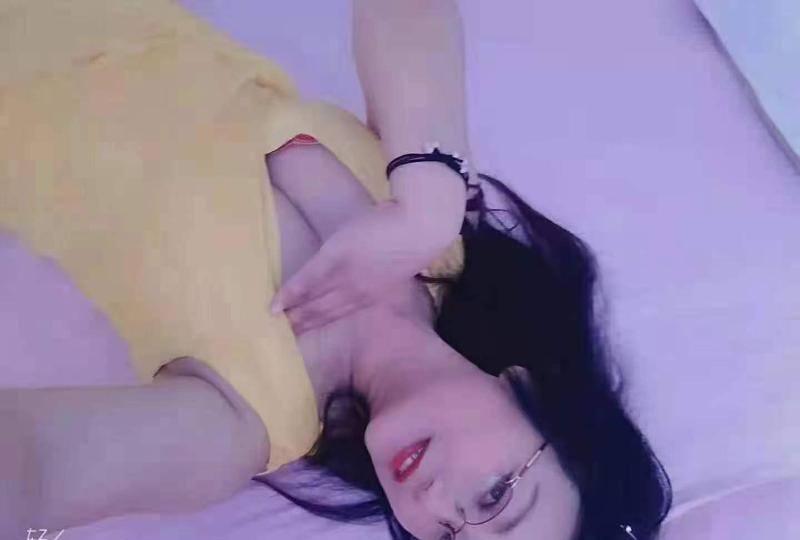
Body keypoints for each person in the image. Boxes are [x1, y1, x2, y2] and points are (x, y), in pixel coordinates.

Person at [0, 1, 671, 539]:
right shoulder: (442, 238)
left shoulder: (243, 426)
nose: (438, 505)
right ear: (531, 391)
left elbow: (37, 466)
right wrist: (427, 205)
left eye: (447, 538)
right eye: (496, 496)